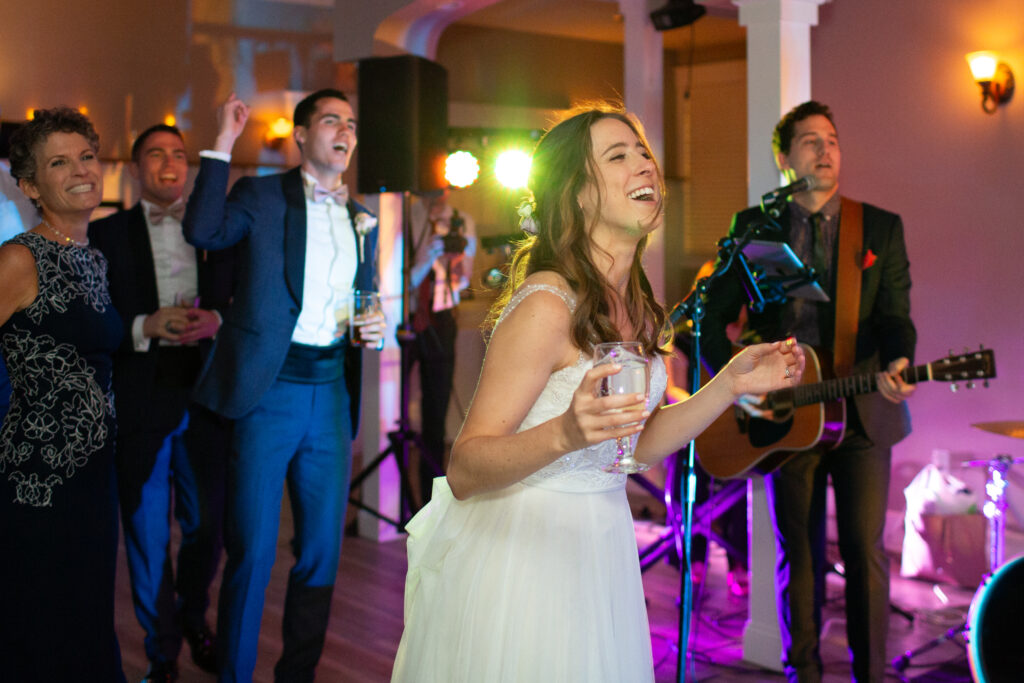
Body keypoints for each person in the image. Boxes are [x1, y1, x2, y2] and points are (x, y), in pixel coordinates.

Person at [390, 103, 805, 682]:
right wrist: (564, 432)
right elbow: (465, 466)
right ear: (579, 195)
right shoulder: (545, 305)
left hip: (602, 542)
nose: (644, 166)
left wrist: (729, 383)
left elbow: (640, 441)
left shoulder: (639, 304)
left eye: (644, 153)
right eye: (619, 155)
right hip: (525, 554)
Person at [701, 100, 916, 683]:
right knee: (800, 554)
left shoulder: (878, 227)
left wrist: (900, 361)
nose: (825, 150)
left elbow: (897, 317)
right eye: (810, 141)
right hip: (786, 416)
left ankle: (870, 674)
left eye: (833, 139)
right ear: (783, 157)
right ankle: (806, 673)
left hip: (863, 411)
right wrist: (732, 386)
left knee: (865, 554)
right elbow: (711, 318)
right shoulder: (754, 226)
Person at [183, 89, 385, 682]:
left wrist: (371, 325)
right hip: (269, 392)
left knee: (321, 554)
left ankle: (296, 675)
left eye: (351, 122)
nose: (345, 131)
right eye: (331, 121)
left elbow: (359, 295)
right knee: (253, 552)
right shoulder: (262, 195)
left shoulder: (362, 215)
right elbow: (203, 230)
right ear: (300, 135)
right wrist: (223, 142)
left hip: (331, 394)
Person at [89, 124, 235, 682]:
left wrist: (216, 320)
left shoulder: (215, 231)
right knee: (148, 536)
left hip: (204, 398)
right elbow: (93, 321)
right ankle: (160, 650)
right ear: (134, 169)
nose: (170, 163)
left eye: (179, 154)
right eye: (156, 154)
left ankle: (193, 617)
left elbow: (243, 298)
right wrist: (142, 325)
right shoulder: (104, 236)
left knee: (208, 527)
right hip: (140, 399)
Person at [0, 107, 126, 681]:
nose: (81, 170)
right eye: (58, 162)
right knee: (43, 625)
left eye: (86, 156)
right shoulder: (19, 257)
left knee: (86, 615)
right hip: (37, 481)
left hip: (93, 479)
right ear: (29, 186)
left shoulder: (91, 256)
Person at [408, 187, 476, 504]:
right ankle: (401, 501)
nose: (440, 194)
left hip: (442, 319)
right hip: (407, 320)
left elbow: (465, 281)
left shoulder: (463, 221)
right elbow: (399, 283)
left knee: (436, 416)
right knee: (395, 416)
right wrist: (425, 256)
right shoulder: (404, 216)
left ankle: (429, 502)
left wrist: (458, 259)